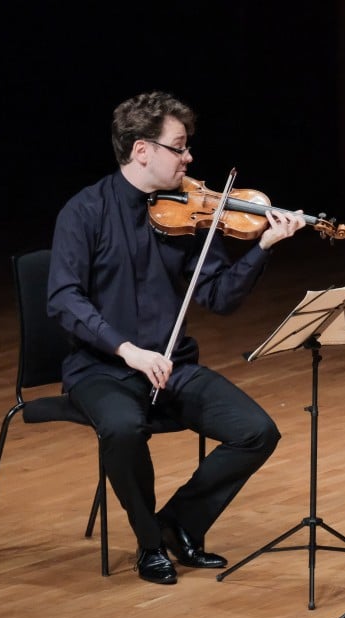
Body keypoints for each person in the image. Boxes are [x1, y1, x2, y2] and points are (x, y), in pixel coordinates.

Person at [47, 91, 306, 584]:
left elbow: (220, 297)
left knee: (257, 430)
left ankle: (177, 523)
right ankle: (149, 545)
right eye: (179, 147)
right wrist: (127, 349)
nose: (189, 158)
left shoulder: (185, 215)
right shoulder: (84, 212)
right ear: (142, 150)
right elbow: (63, 299)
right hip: (103, 369)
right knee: (123, 430)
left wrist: (263, 248)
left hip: (173, 367)